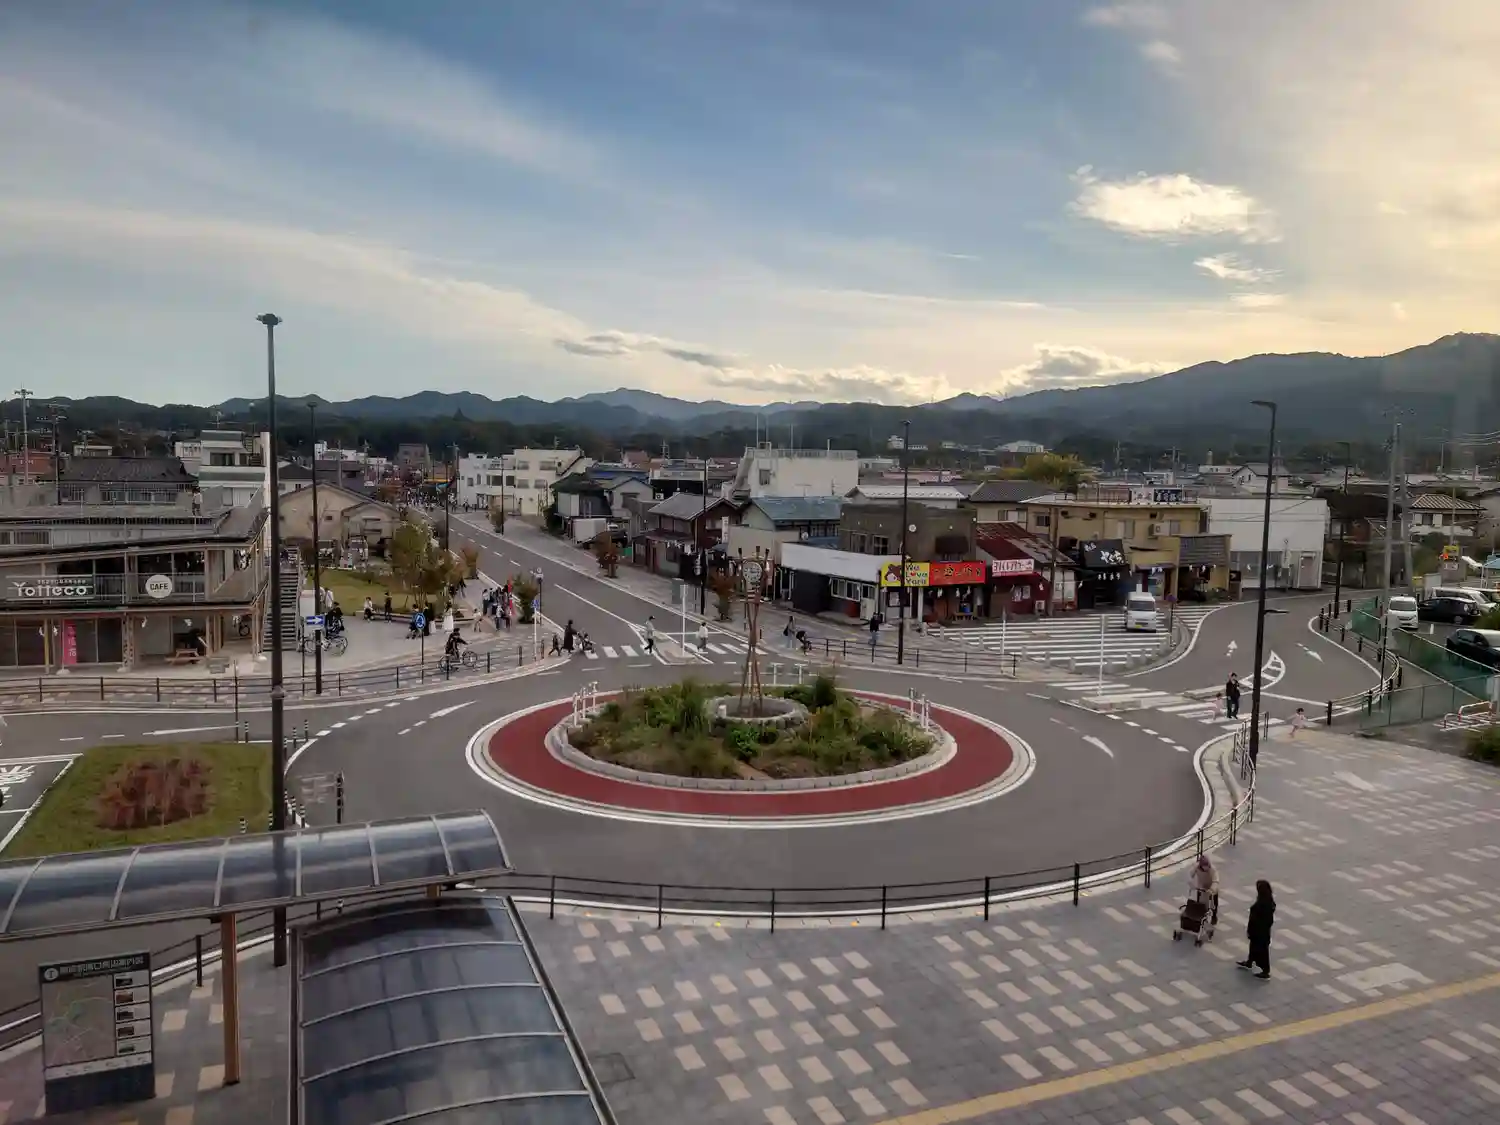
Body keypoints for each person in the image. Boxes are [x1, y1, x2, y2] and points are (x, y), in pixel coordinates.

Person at [1238, 879, 1276, 979]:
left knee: (1262, 950)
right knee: (1253, 947)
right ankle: (1250, 962)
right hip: (1257, 930)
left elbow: (1266, 920)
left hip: (1260, 932)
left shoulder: (1265, 904)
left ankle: (1265, 970)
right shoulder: (1265, 900)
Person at [1189, 855, 1220, 926]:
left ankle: (1214, 916)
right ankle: (1201, 916)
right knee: (1201, 903)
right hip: (1202, 887)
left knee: (1214, 904)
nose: (1206, 868)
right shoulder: (1196, 867)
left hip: (1211, 888)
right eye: (1204, 866)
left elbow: (1216, 880)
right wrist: (1192, 884)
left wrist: (1212, 889)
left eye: (1207, 866)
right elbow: (1190, 875)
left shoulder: (1212, 869)